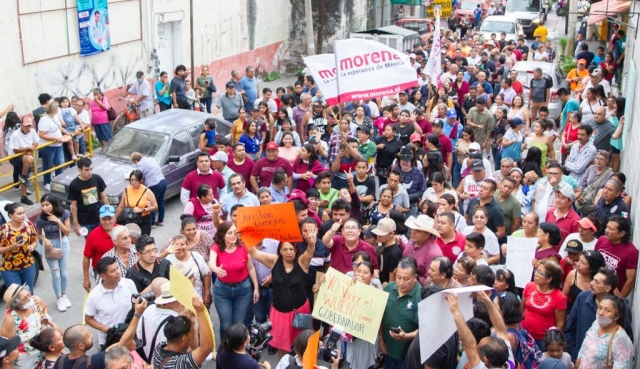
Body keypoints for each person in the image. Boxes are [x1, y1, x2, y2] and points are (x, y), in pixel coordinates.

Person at [245, 222, 316, 357]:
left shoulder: (302, 262)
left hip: (300, 311)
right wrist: (243, 236)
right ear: (280, 250)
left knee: (302, 345)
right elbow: (253, 252)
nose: (288, 252)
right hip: (279, 312)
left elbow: (310, 251)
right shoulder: (274, 261)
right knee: (281, 346)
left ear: (296, 251)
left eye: (291, 249)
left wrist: (311, 242)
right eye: (285, 249)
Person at [208, 222, 258, 341]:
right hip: (222, 290)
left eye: (235, 232)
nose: (233, 235)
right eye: (229, 233)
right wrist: (215, 269)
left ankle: (236, 350)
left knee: (238, 325)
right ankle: (225, 348)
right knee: (226, 325)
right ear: (222, 235)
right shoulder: (216, 247)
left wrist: (256, 287)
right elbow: (211, 263)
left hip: (243, 290)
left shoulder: (243, 246)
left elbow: (250, 268)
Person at [447, 288, 513, 369]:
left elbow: (470, 346)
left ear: (485, 359)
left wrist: (455, 311)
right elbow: (500, 329)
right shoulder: (509, 363)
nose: (476, 348)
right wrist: (486, 300)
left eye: (477, 349)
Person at [85, 257, 138, 348]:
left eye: (117, 268)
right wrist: (107, 330)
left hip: (131, 336)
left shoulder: (129, 284)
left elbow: (136, 303)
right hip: (110, 341)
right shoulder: (94, 296)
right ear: (103, 276)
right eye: (113, 271)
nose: (117, 272)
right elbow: (88, 319)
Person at [151, 295, 214, 368]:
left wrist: (192, 324)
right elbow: (206, 348)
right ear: (184, 338)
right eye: (189, 334)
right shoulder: (179, 363)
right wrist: (200, 312)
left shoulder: (160, 347)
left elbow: (193, 348)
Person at [380, 258, 421, 368]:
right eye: (399, 277)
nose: (401, 282)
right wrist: (381, 339)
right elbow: (380, 315)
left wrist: (406, 336)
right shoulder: (389, 288)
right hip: (388, 349)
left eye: (406, 279)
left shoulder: (421, 296)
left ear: (415, 277)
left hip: (407, 354)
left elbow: (425, 328)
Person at [1, 284, 52, 369]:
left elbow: (45, 307)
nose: (29, 299)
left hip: (43, 349)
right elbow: (8, 342)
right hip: (26, 359)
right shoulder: (10, 318)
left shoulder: (36, 300)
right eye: (24, 299)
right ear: (16, 304)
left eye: (28, 294)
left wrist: (45, 317)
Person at [574, 295, 633, 368]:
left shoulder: (621, 339)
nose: (601, 313)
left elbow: (623, 366)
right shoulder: (596, 324)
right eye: (600, 308)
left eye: (607, 310)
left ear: (616, 316)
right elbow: (585, 347)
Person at [35, 195, 72, 312]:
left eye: (47, 205)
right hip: (50, 246)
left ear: (53, 204)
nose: (45, 208)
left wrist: (57, 221)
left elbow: (67, 232)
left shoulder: (64, 214)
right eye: (43, 205)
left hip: (63, 243)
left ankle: (64, 294)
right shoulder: (41, 219)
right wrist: (45, 240)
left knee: (64, 273)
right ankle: (59, 298)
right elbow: (38, 234)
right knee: (56, 275)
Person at [521, 260, 567, 350]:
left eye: (540, 273)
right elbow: (521, 308)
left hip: (542, 341)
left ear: (549, 279)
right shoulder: (529, 286)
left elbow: (560, 324)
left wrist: (552, 342)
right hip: (524, 334)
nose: (536, 274)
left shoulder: (560, 297)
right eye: (536, 271)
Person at [594, 215, 637, 298]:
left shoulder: (631, 252)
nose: (606, 230)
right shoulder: (602, 240)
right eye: (607, 227)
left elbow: (630, 280)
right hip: (595, 286)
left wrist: (620, 299)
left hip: (612, 294)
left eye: (611, 229)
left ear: (622, 233)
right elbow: (594, 261)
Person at [0, 203, 39, 292]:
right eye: (19, 214)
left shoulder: (29, 225)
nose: (22, 216)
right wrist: (11, 247)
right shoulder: (3, 230)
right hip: (10, 269)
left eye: (23, 213)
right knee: (17, 297)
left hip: (28, 265)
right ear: (11, 215)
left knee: (29, 294)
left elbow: (35, 240)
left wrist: (32, 247)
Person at [163, 234, 211, 304]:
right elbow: (156, 264)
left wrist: (207, 293)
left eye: (182, 244)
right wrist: (166, 252)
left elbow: (206, 274)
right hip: (177, 301)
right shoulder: (168, 259)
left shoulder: (196, 256)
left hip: (197, 298)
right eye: (176, 245)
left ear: (187, 245)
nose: (179, 247)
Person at [69, 157, 108, 236]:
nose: (89, 172)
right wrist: (76, 224)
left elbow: (103, 196)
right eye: (86, 170)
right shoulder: (74, 184)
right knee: (91, 244)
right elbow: (74, 205)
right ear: (79, 170)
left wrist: (109, 213)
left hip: (100, 218)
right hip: (85, 221)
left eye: (91, 169)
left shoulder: (97, 178)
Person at [82, 205, 117, 292]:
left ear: (115, 218)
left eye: (110, 218)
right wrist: (86, 278)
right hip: (101, 272)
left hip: (119, 269)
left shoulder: (121, 231)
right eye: (104, 219)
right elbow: (86, 257)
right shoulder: (93, 235)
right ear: (99, 219)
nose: (107, 222)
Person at [114, 170, 158, 236]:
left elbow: (155, 207)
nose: (133, 182)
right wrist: (115, 217)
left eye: (136, 180)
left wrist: (142, 210)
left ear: (141, 180)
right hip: (130, 219)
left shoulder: (147, 191)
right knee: (131, 240)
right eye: (131, 180)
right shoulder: (126, 190)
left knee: (143, 241)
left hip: (143, 220)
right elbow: (121, 206)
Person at [130, 152, 167, 228]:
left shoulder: (140, 165)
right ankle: (160, 221)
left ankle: (152, 223)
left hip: (154, 185)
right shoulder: (151, 159)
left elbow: (139, 177)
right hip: (163, 181)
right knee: (160, 202)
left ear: (136, 161)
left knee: (152, 204)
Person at [38, 101, 69, 191]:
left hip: (58, 144)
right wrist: (54, 139)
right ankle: (47, 182)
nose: (57, 111)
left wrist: (67, 133)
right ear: (52, 110)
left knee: (59, 162)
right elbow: (42, 134)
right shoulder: (44, 120)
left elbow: (59, 126)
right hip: (48, 146)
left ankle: (59, 180)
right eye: (56, 109)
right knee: (48, 165)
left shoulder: (55, 116)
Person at [402, 215, 442, 284]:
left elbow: (429, 280)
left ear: (427, 234)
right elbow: (407, 252)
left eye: (418, 231)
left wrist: (410, 277)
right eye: (413, 229)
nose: (413, 232)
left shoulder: (432, 253)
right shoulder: (413, 239)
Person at [8, 116, 38, 205]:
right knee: (28, 162)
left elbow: (36, 142)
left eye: (29, 126)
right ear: (21, 125)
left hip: (25, 154)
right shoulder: (15, 134)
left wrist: (31, 148)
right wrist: (28, 149)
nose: (28, 128)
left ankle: (23, 194)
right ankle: (23, 179)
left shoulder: (32, 131)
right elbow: (15, 150)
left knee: (26, 166)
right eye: (26, 126)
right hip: (15, 156)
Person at [372, 218, 402, 286]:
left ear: (391, 234)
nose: (378, 236)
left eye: (381, 234)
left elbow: (392, 280)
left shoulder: (394, 253)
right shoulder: (383, 247)